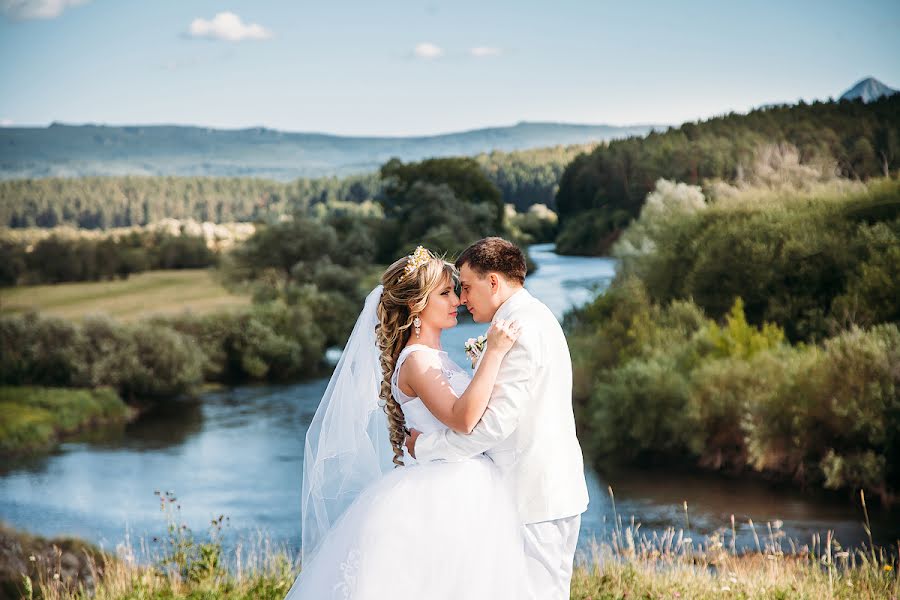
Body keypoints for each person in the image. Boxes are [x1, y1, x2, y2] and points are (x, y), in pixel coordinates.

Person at [285, 245, 527, 600]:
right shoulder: (415, 361)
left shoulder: (434, 358)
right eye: (445, 293)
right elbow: (462, 418)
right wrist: (493, 352)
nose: (457, 300)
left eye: (456, 291)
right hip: (441, 493)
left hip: (466, 484)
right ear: (416, 305)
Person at [406, 237, 590, 600]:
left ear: (493, 282)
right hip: (538, 489)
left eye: (468, 287)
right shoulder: (529, 316)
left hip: (535, 493)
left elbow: (493, 425)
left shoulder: (517, 329)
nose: (462, 298)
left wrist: (424, 447)